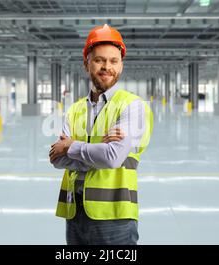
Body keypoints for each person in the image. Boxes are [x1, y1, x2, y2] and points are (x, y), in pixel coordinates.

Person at [49, 24, 153, 245]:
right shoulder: (76, 109)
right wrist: (98, 154)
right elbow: (57, 159)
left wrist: (71, 147)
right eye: (99, 60)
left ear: (121, 65)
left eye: (113, 61)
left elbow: (112, 158)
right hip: (75, 213)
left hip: (115, 216)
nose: (107, 67)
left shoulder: (132, 106)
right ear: (86, 63)